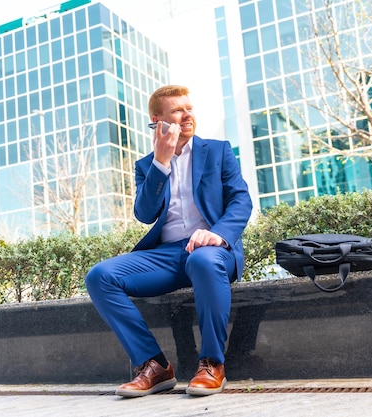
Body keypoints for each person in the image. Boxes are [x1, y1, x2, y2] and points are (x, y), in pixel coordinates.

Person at [85, 85, 253, 397]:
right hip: (168, 255)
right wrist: (161, 163)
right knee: (100, 276)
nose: (187, 114)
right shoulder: (146, 166)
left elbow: (241, 201)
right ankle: (154, 365)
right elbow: (145, 214)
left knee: (202, 259)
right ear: (158, 120)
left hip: (213, 251)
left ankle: (212, 364)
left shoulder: (217, 151)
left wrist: (218, 234)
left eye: (189, 107)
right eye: (177, 110)